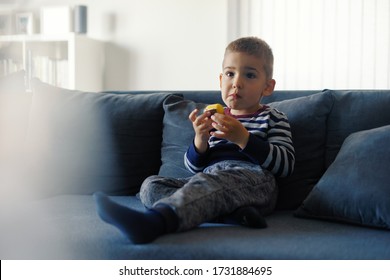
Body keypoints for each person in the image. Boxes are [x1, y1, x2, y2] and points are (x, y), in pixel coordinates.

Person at [94, 36, 295, 244]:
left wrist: (243, 138)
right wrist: (200, 140)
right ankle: (232, 216)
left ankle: (155, 222)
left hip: (255, 182)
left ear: (267, 87)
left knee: (209, 183)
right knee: (150, 185)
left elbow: (285, 165)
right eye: (230, 74)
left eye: (250, 75)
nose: (237, 83)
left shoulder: (272, 117)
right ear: (220, 80)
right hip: (209, 178)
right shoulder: (214, 117)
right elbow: (194, 168)